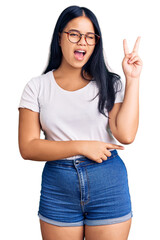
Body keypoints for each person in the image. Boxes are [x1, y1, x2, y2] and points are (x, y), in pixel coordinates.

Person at [18, 5, 143, 240]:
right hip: (58, 187)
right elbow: (28, 147)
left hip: (108, 182)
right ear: (60, 38)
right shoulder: (37, 87)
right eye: (74, 34)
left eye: (89, 37)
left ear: (96, 43)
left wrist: (132, 79)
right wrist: (82, 146)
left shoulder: (110, 84)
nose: (82, 42)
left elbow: (126, 135)